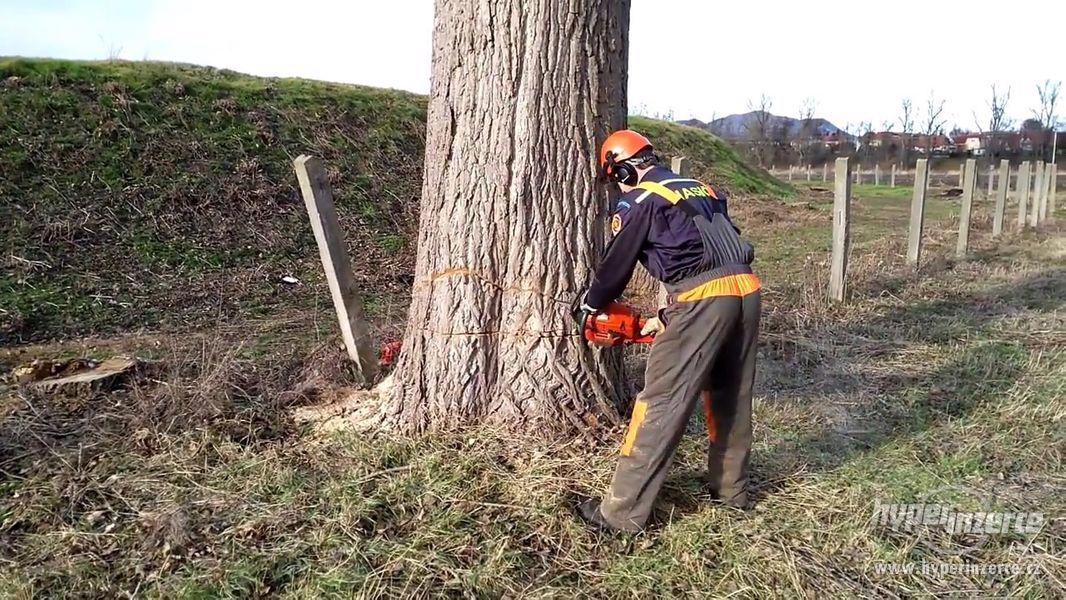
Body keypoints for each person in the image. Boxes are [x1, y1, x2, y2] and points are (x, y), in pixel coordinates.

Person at [573, 129, 762, 533]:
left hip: (702, 297)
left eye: (616, 178)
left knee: (660, 401)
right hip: (746, 289)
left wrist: (592, 303)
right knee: (730, 394)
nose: (618, 187)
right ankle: (731, 492)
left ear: (623, 167)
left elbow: (617, 261)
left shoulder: (640, 198)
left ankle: (620, 514)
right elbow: (708, 247)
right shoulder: (701, 188)